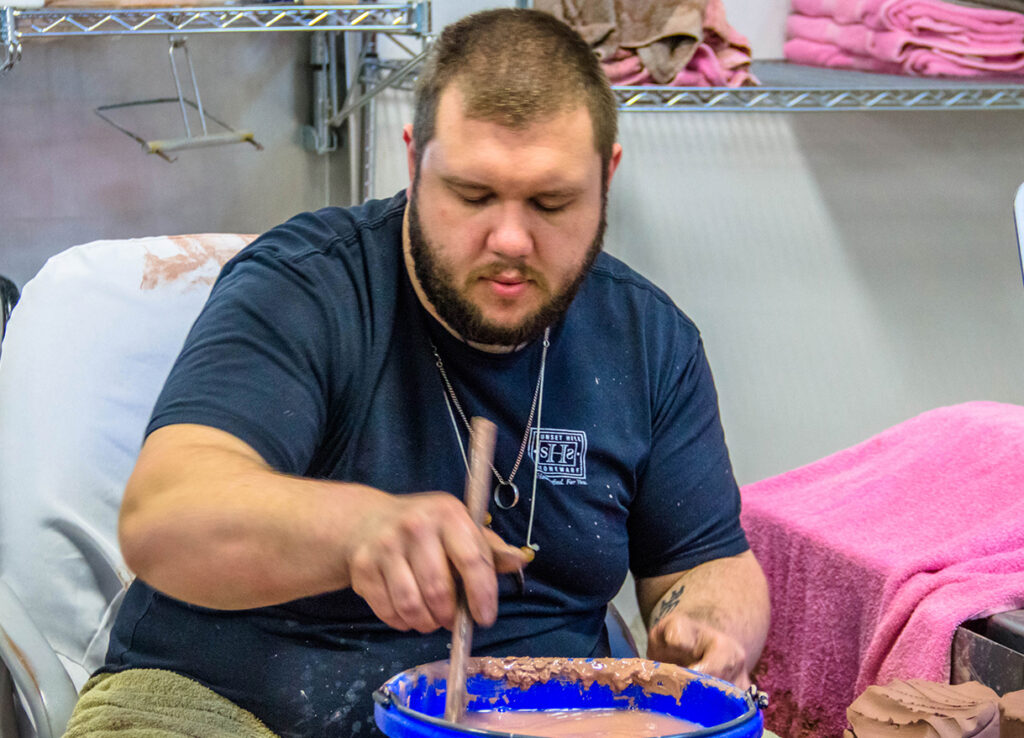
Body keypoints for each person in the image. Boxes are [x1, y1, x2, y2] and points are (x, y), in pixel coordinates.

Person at [64, 8, 769, 737]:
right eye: (472, 195)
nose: (510, 239)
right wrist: (357, 530)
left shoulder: (649, 339)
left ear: (606, 176)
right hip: (233, 704)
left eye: (551, 202)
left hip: (534, 716)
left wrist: (708, 624)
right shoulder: (304, 288)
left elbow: (707, 562)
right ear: (413, 162)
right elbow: (163, 517)